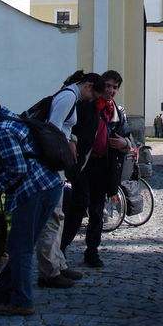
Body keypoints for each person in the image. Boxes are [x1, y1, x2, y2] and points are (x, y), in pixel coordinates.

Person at [0, 92, 62, 316]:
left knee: (20, 248)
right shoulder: (10, 120)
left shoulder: (1, 130)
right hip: (48, 185)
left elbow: (17, 168)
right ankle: (3, 292)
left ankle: (22, 301)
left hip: (34, 189)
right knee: (22, 245)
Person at [36, 71, 105, 288]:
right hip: (53, 165)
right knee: (53, 216)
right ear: (88, 85)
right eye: (93, 95)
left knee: (58, 216)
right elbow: (53, 129)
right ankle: (49, 272)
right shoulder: (68, 97)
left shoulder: (72, 97)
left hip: (57, 164)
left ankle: (58, 263)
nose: (91, 100)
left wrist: (72, 139)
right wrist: (64, 153)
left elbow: (65, 128)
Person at [61, 70, 132, 268]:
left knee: (97, 210)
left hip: (104, 165)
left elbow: (128, 138)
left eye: (115, 87)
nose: (111, 90)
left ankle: (92, 251)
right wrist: (73, 142)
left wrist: (124, 143)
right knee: (79, 206)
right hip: (85, 163)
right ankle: (61, 248)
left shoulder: (117, 112)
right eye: (108, 86)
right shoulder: (87, 104)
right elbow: (70, 128)